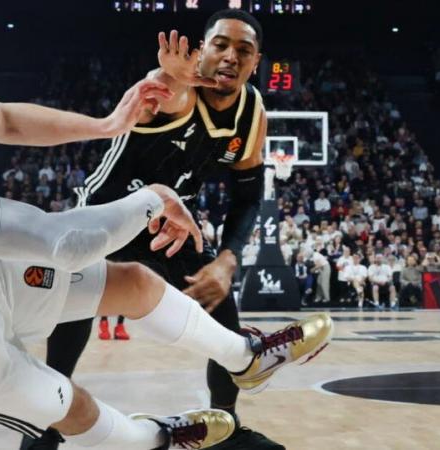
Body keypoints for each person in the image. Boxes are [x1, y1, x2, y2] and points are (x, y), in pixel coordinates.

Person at [0, 2, 333, 450]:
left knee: (134, 284)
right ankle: (152, 439)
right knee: (68, 403)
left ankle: (245, 363)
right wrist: (157, 196)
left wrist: (107, 124)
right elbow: (61, 241)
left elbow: (8, 119)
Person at [36, 10, 297, 450]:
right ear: (201, 49)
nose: (231, 56)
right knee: (74, 313)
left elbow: (248, 196)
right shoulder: (175, 87)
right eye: (220, 45)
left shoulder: (253, 112)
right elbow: (161, 85)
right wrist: (165, 73)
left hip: (171, 221)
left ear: (256, 63)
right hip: (108, 212)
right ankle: (43, 430)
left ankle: (225, 429)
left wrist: (226, 260)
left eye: (243, 50)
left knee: (223, 316)